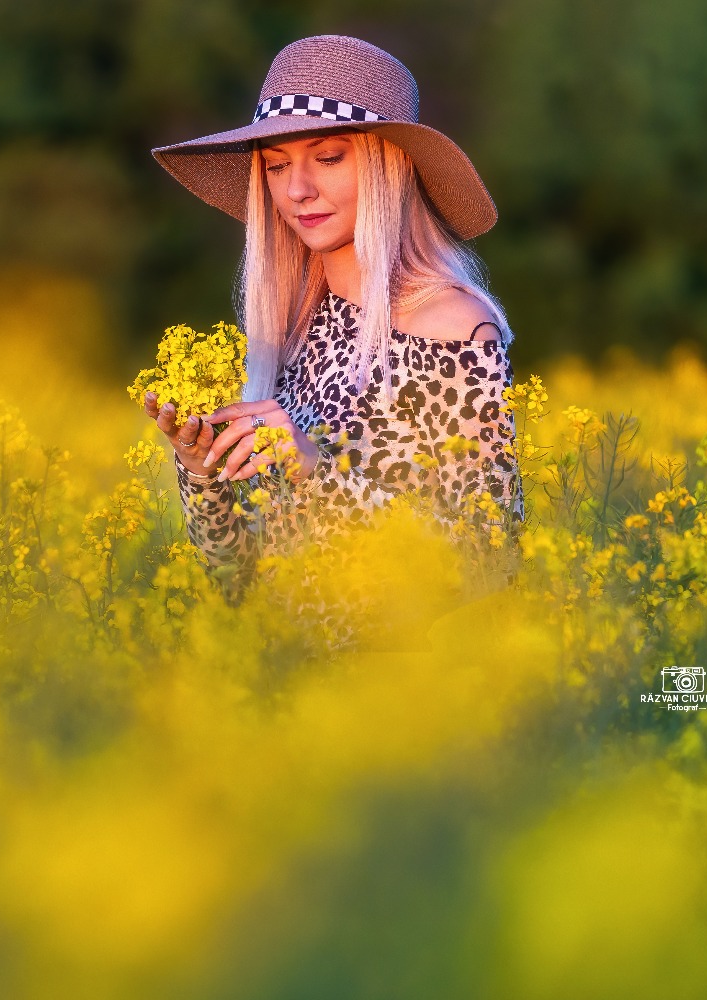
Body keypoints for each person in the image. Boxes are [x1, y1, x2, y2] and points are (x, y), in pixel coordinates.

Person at [141, 34, 525, 638]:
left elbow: (489, 562)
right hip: (283, 680)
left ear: (387, 167)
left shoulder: (451, 327)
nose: (296, 189)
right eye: (275, 165)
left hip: (394, 687)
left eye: (327, 158)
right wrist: (202, 472)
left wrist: (317, 469)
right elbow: (240, 578)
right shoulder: (288, 326)